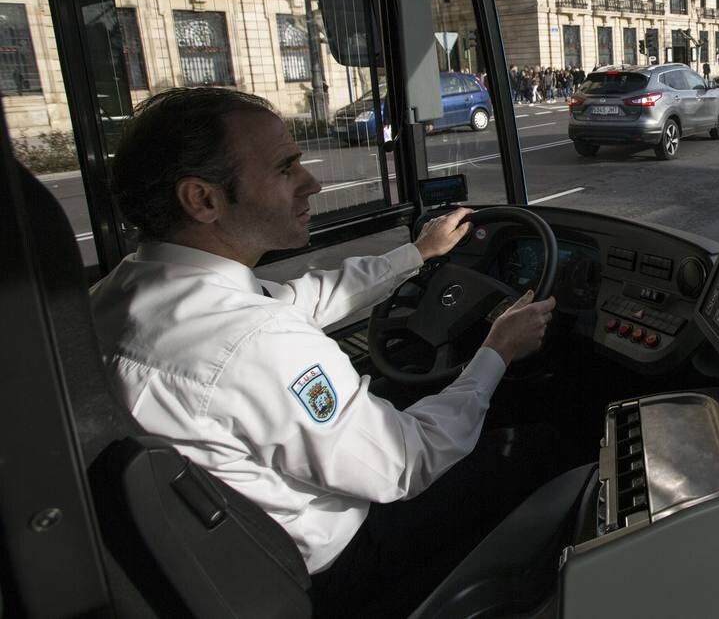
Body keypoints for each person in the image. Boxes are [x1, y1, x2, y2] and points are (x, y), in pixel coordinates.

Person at [89, 87, 558, 617]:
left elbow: (296, 301)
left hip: (225, 557)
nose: (313, 182)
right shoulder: (255, 343)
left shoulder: (118, 293)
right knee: (535, 445)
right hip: (339, 567)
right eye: (286, 168)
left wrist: (414, 255)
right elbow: (406, 461)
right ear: (203, 200)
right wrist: (496, 351)